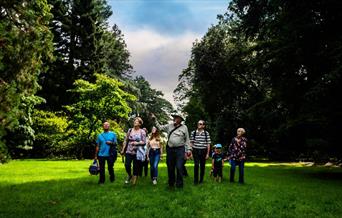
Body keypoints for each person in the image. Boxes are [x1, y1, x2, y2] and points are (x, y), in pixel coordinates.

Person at [152, 113, 191, 188]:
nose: (175, 119)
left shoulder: (184, 127)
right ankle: (171, 183)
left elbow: (187, 139)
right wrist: (155, 120)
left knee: (179, 167)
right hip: (170, 149)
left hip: (180, 149)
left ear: (180, 120)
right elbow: (160, 128)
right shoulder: (169, 126)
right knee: (170, 167)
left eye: (177, 117)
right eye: (175, 117)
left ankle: (179, 185)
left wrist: (188, 149)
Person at [120, 117, 146, 185]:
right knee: (127, 165)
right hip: (129, 150)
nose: (135, 122)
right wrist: (123, 149)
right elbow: (126, 140)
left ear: (140, 124)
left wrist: (137, 143)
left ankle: (133, 182)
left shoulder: (142, 132)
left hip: (137, 152)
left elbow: (144, 142)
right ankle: (129, 175)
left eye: (137, 121)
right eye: (134, 121)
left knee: (135, 167)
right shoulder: (130, 130)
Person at [190, 120, 211, 184]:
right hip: (195, 150)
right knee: (196, 165)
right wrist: (190, 152)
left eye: (201, 124)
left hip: (203, 151)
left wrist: (207, 154)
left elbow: (208, 144)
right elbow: (191, 143)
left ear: (203, 126)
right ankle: (195, 180)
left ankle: (201, 180)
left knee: (202, 166)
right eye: (198, 123)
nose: (199, 124)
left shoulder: (206, 133)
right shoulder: (193, 133)